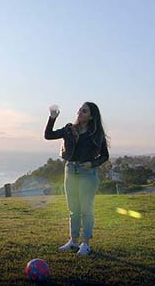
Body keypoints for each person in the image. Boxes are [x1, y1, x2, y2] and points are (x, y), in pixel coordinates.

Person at [44, 102, 109, 256]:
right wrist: (52, 118)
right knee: (74, 209)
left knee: (86, 209)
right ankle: (73, 241)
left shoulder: (97, 133)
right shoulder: (69, 129)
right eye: (79, 109)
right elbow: (48, 135)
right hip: (70, 170)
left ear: (91, 116)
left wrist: (92, 164)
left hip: (88, 174)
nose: (80, 112)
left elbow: (105, 156)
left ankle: (85, 244)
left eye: (84, 111)